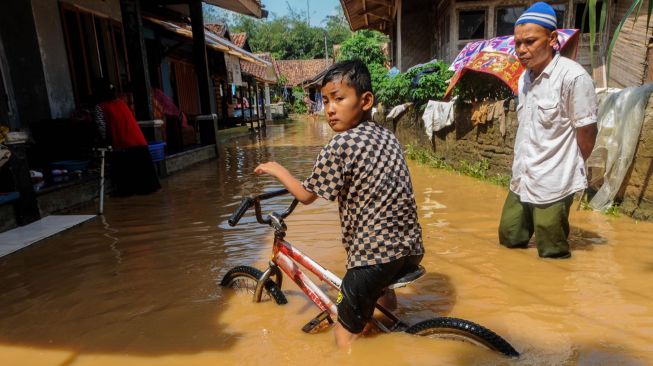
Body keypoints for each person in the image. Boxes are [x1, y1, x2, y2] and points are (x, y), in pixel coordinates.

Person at [254, 60, 424, 348]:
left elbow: (306, 196)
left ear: (366, 100)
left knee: (343, 334)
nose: (330, 109)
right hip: (411, 249)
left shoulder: (340, 145)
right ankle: (388, 340)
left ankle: (351, 346)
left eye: (339, 98)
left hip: (375, 257)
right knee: (379, 296)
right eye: (325, 101)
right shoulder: (387, 135)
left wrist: (278, 170)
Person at [498, 2, 598, 259]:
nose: (521, 50)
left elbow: (586, 131)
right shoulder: (525, 78)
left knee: (551, 252)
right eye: (517, 43)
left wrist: (572, 167)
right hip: (524, 173)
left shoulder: (573, 77)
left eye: (529, 42)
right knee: (509, 236)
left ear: (552, 38)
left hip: (555, 178)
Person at [93, 78, 161, 196]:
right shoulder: (121, 103)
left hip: (124, 146)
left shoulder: (100, 107)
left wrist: (104, 142)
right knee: (148, 188)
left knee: (128, 190)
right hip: (139, 143)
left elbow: (102, 129)